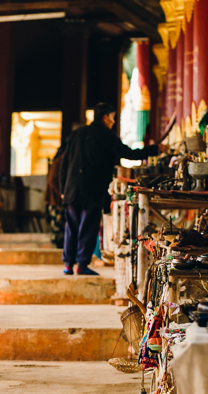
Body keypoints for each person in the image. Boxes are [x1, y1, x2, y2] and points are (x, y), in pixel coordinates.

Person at [59, 102, 158, 275]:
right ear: (105, 118)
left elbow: (64, 164)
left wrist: (62, 189)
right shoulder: (107, 136)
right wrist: (155, 149)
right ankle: (81, 265)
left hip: (72, 190)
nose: (113, 122)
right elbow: (130, 154)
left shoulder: (77, 133)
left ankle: (68, 264)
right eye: (112, 118)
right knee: (88, 227)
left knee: (72, 226)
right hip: (93, 191)